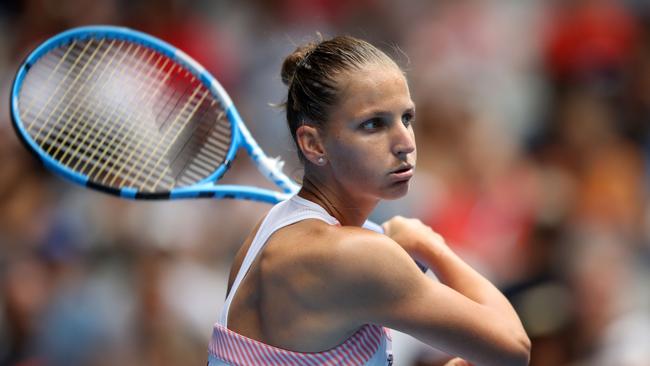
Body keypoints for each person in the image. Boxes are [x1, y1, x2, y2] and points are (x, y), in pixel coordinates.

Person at [207, 35, 531, 366]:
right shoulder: (355, 254)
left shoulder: (266, 232)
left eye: (407, 118)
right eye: (374, 124)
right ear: (313, 144)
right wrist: (431, 246)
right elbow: (513, 349)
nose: (405, 142)